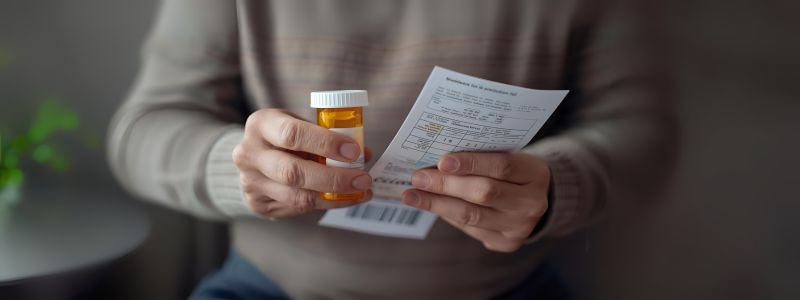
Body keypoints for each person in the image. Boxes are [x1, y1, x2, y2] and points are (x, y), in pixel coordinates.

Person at [108, 0, 675, 298]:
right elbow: (141, 131)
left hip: (502, 288)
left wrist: (556, 186)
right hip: (271, 287)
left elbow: (644, 133)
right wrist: (240, 168)